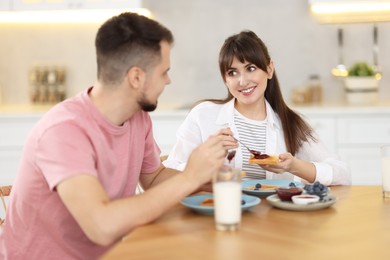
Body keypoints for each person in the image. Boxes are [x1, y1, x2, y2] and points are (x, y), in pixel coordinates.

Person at [0, 13, 228, 259]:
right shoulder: (63, 131)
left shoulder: (138, 118)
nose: (168, 80)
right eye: (164, 72)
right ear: (137, 77)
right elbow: (102, 226)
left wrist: (209, 181)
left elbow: (154, 177)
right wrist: (190, 178)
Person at [163, 30, 351, 186]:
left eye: (251, 68)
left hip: (272, 222)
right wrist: (205, 158)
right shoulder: (203, 115)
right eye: (232, 72)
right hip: (216, 214)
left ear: (269, 69)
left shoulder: (290, 123)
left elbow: (342, 174)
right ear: (225, 80)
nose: (243, 81)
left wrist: (293, 166)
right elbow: (169, 170)